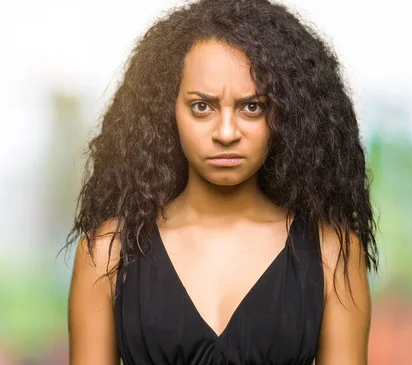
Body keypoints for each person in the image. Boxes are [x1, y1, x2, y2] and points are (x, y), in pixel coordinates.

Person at [66, 0, 378, 364]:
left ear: (287, 113)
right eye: (202, 106)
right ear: (167, 111)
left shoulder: (331, 252)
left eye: (252, 107)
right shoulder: (108, 253)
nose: (226, 132)